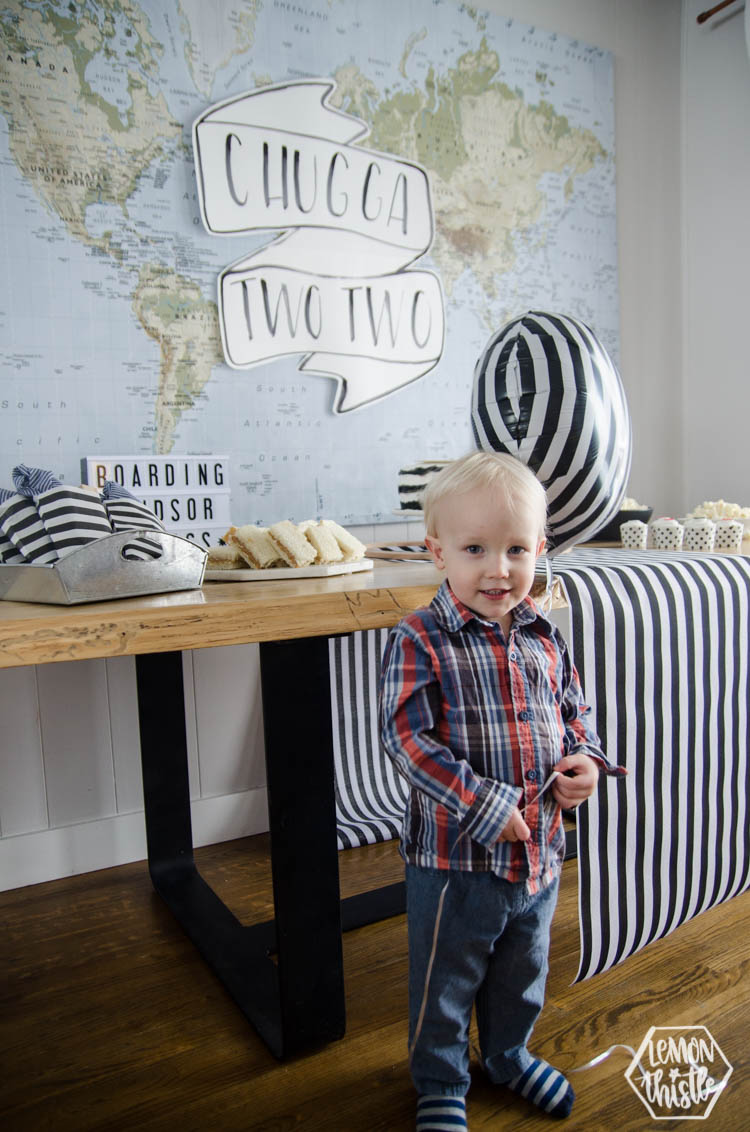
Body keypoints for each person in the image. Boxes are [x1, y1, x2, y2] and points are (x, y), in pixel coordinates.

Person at [378, 451, 625, 1130]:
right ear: (438, 552)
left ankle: (509, 1054)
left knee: (523, 969)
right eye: (475, 548)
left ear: (540, 550)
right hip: (457, 861)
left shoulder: (544, 634)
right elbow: (408, 740)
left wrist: (585, 760)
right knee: (448, 979)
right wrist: (485, 804)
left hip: (540, 853)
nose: (498, 568)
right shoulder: (420, 639)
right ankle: (439, 1081)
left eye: (516, 548)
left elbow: (575, 709)